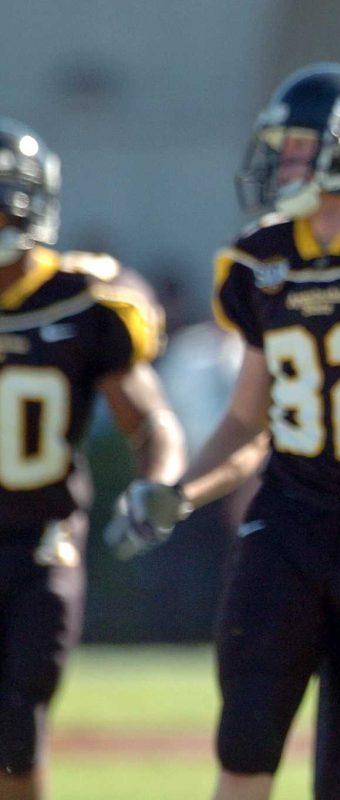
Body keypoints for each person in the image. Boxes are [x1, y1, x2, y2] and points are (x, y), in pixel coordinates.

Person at [104, 64, 340, 800]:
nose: (284, 164)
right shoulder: (263, 257)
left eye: (301, 148)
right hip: (289, 516)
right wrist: (178, 495)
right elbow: (248, 420)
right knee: (245, 740)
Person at [0, 118, 185, 800]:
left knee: (17, 725)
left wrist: (156, 485)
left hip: (40, 542)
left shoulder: (81, 300)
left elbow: (151, 421)